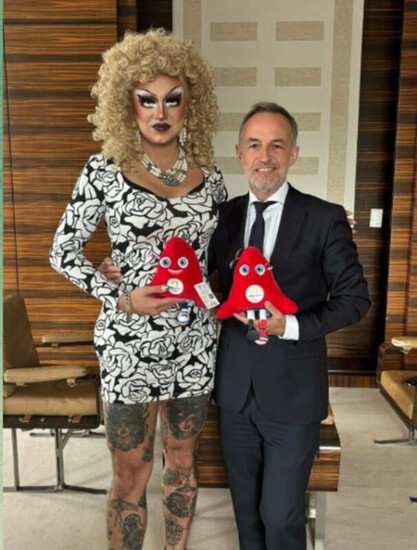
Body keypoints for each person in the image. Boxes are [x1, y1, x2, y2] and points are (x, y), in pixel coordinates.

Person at [50, 28, 227, 550]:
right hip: (129, 342)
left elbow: (227, 257)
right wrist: (120, 295)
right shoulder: (103, 171)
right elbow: (62, 251)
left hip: (195, 341)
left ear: (192, 103)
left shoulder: (212, 179)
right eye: (147, 99)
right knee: (131, 471)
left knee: (182, 461)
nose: (160, 112)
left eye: (174, 98)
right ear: (126, 103)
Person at [209, 101, 370, 550]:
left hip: (295, 394)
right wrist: (124, 274)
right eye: (254, 145)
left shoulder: (324, 218)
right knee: (246, 515)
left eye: (277, 145)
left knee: (280, 517)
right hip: (234, 391)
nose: (265, 156)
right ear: (239, 152)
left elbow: (356, 301)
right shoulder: (223, 218)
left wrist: (291, 326)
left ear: (294, 153)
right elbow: (198, 281)